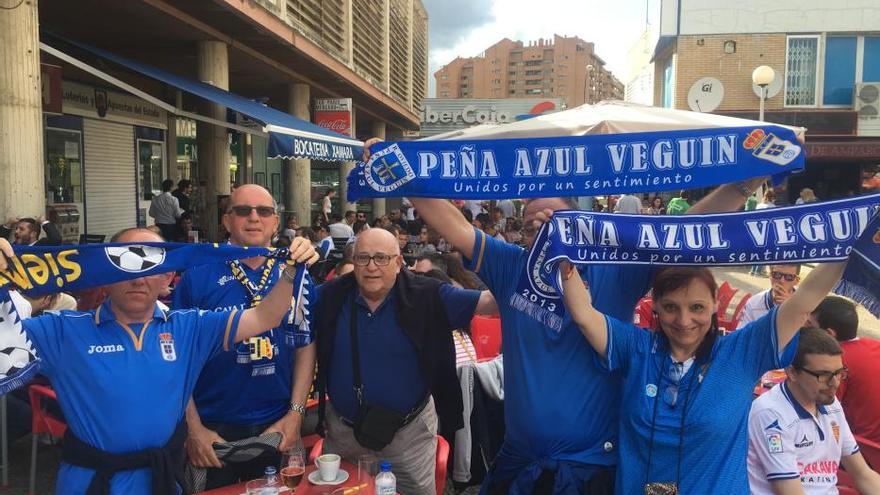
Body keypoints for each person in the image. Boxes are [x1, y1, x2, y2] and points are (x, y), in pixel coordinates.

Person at [368, 134, 770, 493]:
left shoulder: (617, 272)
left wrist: (749, 178)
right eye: (530, 228)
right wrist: (395, 171)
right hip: (520, 460)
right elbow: (451, 224)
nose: (542, 234)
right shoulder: (511, 267)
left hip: (591, 466)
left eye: (556, 223)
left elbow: (684, 231)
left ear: (580, 225)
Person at [0, 228, 317, 494]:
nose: (138, 279)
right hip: (90, 482)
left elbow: (266, 316)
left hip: (162, 480)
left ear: (168, 277)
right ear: (105, 276)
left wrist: (290, 269)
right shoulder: (62, 330)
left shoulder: (189, 327)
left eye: (148, 266)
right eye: (125, 265)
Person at [560, 257, 848, 494]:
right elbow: (584, 315)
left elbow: (806, 299)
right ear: (656, 306)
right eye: (671, 307)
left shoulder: (741, 353)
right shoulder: (636, 348)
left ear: (715, 304)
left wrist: (849, 243)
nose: (684, 321)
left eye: (696, 307)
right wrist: (561, 254)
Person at [312, 228, 496, 495]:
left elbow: (489, 304)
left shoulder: (428, 294)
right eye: (363, 258)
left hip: (408, 436)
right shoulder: (331, 295)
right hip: (344, 434)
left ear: (399, 263)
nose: (371, 266)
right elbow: (287, 313)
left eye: (381, 258)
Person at [173, 185, 318, 490]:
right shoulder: (198, 274)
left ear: (276, 222)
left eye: (264, 211)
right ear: (226, 220)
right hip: (215, 428)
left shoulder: (296, 271)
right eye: (243, 211)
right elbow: (176, 357)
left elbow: (306, 345)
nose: (254, 218)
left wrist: (295, 415)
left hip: (277, 425)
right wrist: (193, 428)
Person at [747, 328, 880, 494]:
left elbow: (862, 474)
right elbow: (790, 491)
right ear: (792, 372)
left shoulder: (830, 403)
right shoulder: (770, 415)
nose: (834, 383)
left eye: (839, 373)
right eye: (823, 375)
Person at [809, 296, 880, 447]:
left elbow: (817, 408)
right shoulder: (874, 345)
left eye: (809, 324)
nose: (803, 328)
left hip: (862, 447)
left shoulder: (835, 362)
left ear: (829, 334)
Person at [737, 264, 801, 328]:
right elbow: (741, 335)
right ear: (770, 276)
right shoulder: (754, 303)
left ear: (796, 280)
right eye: (777, 274)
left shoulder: (805, 301)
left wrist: (791, 308)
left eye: (789, 277)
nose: (782, 281)